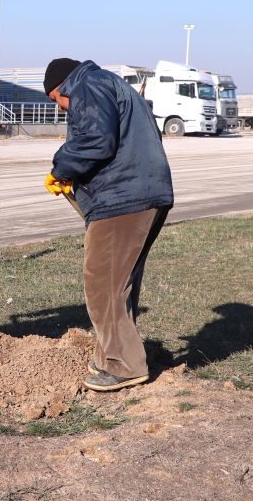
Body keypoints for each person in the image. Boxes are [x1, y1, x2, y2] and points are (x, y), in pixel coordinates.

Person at [43, 58, 174, 392]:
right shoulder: (113, 85)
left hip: (122, 198)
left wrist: (62, 168)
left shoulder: (87, 85)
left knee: (102, 282)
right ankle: (112, 355)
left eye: (55, 100)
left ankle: (124, 365)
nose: (59, 108)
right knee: (120, 283)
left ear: (60, 87)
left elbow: (96, 139)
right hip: (146, 191)